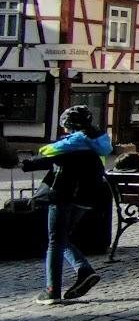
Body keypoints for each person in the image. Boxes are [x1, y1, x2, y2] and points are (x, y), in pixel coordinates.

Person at [23, 105, 112, 305]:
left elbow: (45, 156)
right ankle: (83, 270)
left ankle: (52, 290)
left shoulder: (72, 143)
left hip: (63, 195)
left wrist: (24, 162)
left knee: (55, 241)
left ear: (69, 125)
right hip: (87, 198)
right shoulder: (99, 142)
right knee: (62, 238)